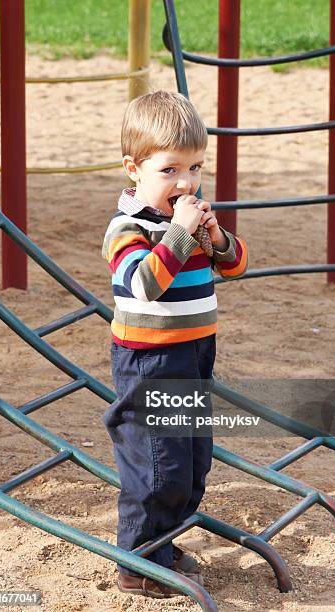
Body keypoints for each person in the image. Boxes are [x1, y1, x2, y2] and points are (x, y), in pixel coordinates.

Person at [102, 90, 248, 599]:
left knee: (191, 458)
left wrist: (217, 238)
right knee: (158, 462)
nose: (185, 182)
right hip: (150, 360)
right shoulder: (129, 228)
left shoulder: (183, 223)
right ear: (134, 169)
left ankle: (165, 542)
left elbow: (234, 265)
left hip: (194, 354)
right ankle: (138, 562)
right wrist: (180, 235)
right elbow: (141, 285)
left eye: (195, 167)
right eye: (169, 170)